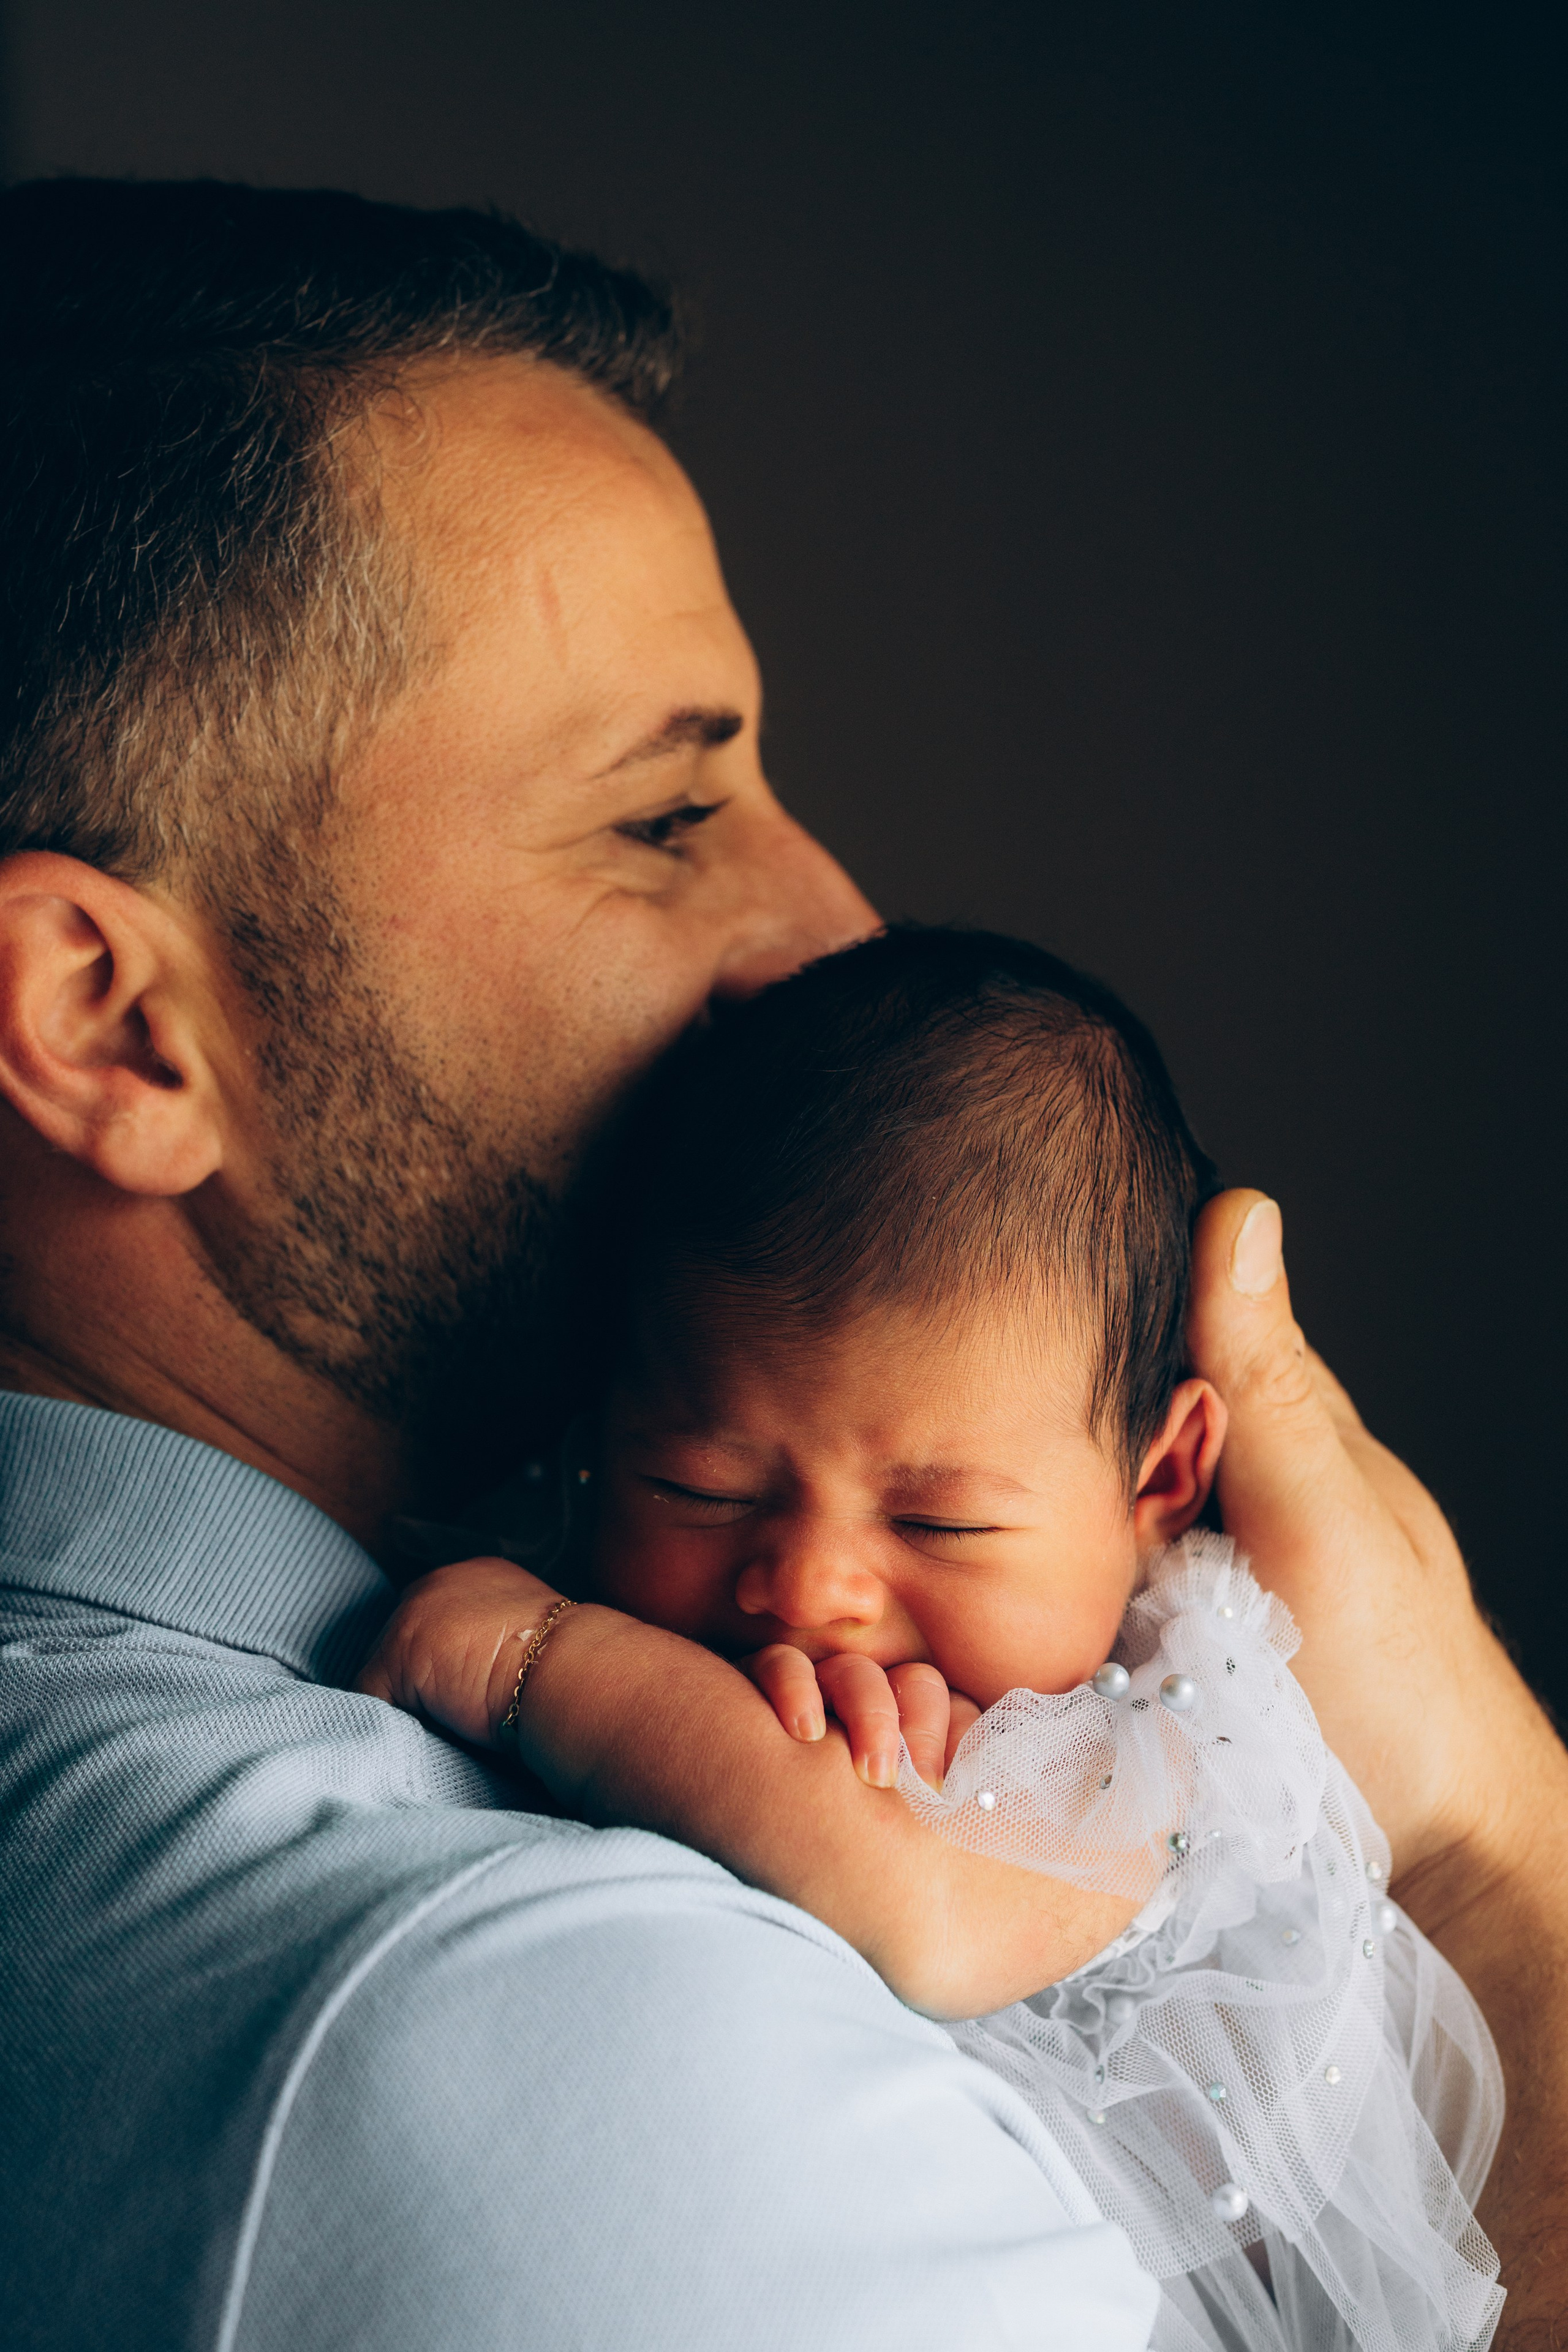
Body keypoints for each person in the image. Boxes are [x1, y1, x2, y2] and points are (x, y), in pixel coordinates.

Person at [0, 178, 1561, 2351]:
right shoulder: (558, 2049)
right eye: (663, 818)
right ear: (111, 1023)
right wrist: (1497, 1856)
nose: (840, 932)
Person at [360, 927, 1506, 2350]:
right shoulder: (558, 1530)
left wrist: (538, 1661)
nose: (807, 1584)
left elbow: (922, 1913)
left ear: (1157, 1483)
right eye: (701, 1487)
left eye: (939, 1523)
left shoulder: (1157, 1746)